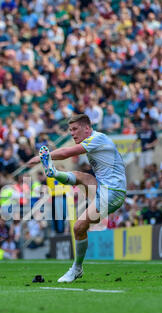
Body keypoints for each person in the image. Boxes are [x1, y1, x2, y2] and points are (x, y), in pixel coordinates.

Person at [28, 114, 126, 282]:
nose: (72, 133)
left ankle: (76, 269)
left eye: (75, 129)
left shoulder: (97, 139)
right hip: (103, 188)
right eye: (70, 130)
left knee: (79, 226)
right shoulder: (94, 141)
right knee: (80, 175)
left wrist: (43, 158)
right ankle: (54, 172)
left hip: (112, 192)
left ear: (87, 128)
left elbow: (66, 152)